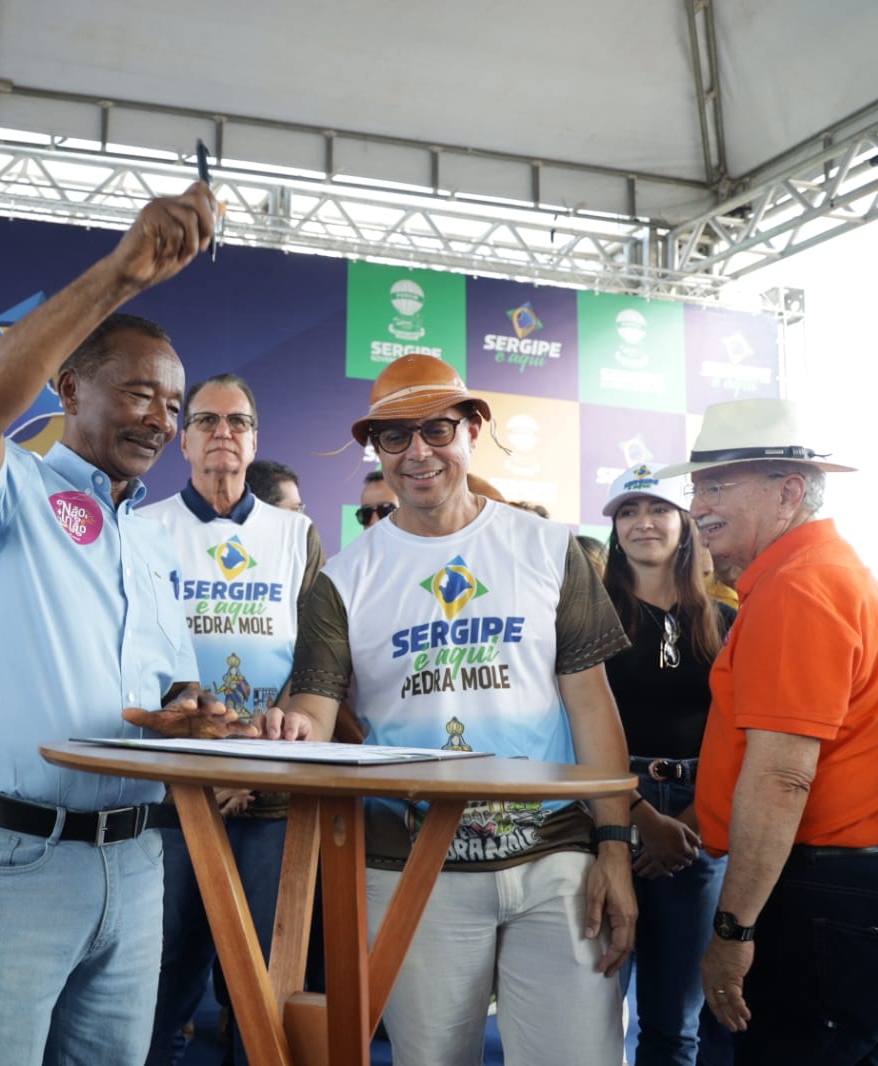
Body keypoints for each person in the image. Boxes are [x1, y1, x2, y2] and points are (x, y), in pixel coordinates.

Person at [0, 183, 249, 1066]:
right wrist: (120, 275)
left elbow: (173, 691)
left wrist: (196, 719)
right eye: (138, 393)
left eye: (172, 405)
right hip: (6, 862)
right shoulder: (11, 489)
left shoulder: (148, 539)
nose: (160, 419)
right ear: (67, 386)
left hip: (135, 868)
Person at [263, 352, 637, 1066]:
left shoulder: (548, 548)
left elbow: (592, 706)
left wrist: (615, 848)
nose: (418, 453)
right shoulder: (342, 580)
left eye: (436, 429)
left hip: (554, 854)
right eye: (394, 436)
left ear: (472, 430)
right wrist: (289, 730)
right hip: (410, 866)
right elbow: (314, 712)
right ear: (376, 449)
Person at [653, 398, 878, 1062]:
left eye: (717, 486)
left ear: (787, 492)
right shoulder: (823, 571)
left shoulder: (798, 587)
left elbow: (782, 776)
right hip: (861, 891)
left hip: (828, 894)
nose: (697, 506)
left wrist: (733, 931)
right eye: (697, 487)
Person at [144, 373, 325, 1066]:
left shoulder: (295, 534)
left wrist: (252, 758)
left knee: (261, 989)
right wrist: (209, 752)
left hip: (270, 794)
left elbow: (317, 659)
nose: (224, 432)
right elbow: (137, 653)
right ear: (183, 439)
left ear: (254, 440)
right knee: (161, 976)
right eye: (207, 420)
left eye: (238, 422)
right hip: (172, 794)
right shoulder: (145, 528)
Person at [599, 464, 736, 1066]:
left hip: (698, 820)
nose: (643, 523)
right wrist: (636, 814)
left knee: (676, 1025)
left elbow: (741, 735)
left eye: (657, 509)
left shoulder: (725, 621)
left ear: (685, 523)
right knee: (591, 1013)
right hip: (605, 811)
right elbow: (573, 729)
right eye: (627, 512)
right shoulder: (588, 618)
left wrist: (697, 821)